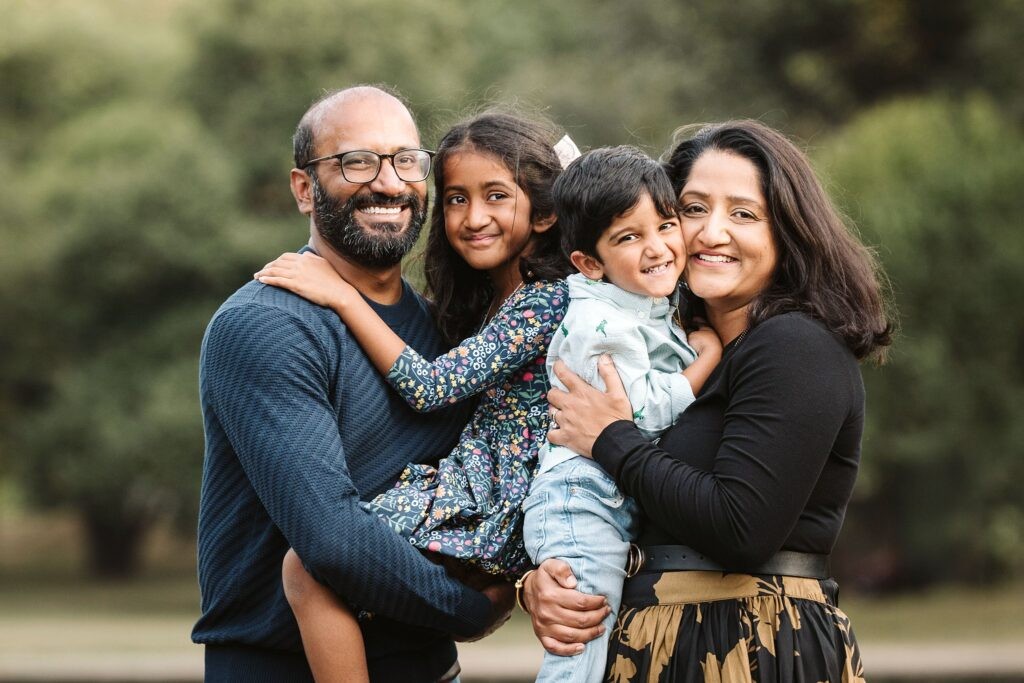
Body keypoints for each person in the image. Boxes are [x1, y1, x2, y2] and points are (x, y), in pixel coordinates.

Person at [522, 120, 892, 681]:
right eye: (692, 209)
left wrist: (611, 438)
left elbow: (741, 528)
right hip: (653, 643)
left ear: (786, 233)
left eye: (743, 214)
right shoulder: (660, 351)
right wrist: (545, 580)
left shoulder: (794, 346)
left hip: (751, 645)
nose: (710, 233)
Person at [192, 86, 511, 683]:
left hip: (428, 666)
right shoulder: (267, 325)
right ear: (304, 188)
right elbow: (332, 540)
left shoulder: (446, 334)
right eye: (357, 162)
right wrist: (472, 610)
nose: (388, 183)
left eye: (405, 160)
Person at [253, 112, 573, 681]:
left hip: (492, 499)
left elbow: (433, 387)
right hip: (480, 492)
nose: (473, 217)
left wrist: (343, 296)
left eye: (496, 195)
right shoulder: (483, 309)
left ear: (547, 212)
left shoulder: (545, 301)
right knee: (327, 567)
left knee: (307, 570)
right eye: (455, 199)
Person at [520, 146, 722, 682]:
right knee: (579, 649)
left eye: (665, 224)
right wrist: (706, 361)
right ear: (589, 263)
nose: (657, 247)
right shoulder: (600, 323)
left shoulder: (642, 304)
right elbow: (637, 413)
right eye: (629, 237)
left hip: (606, 502)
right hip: (580, 502)